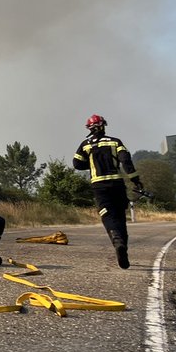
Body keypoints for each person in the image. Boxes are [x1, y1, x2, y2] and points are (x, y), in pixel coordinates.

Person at [72, 114, 145, 269]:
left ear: (89, 128)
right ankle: (123, 248)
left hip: (99, 186)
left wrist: (92, 164)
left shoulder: (85, 145)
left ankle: (116, 240)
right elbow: (126, 161)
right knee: (120, 217)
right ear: (104, 125)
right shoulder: (115, 142)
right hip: (117, 184)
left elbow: (76, 163)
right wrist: (136, 180)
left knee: (107, 215)